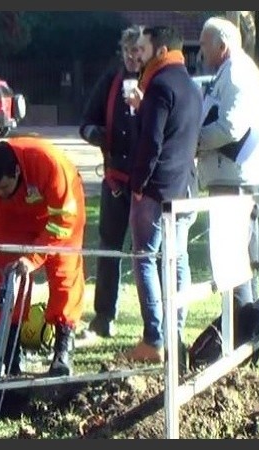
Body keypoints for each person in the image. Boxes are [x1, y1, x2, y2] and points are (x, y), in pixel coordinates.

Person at [0, 137, 87, 377]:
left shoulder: (48, 163)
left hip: (60, 215)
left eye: (3, 187)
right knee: (6, 279)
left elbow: (64, 223)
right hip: (11, 217)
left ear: (16, 171)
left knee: (64, 272)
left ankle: (63, 352)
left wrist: (33, 258)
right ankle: (8, 352)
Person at [120, 26, 202, 365]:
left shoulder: (159, 85)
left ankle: (154, 338)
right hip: (186, 186)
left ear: (161, 48)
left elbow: (151, 144)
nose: (138, 54)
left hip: (156, 190)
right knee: (179, 259)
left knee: (145, 258)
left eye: (143, 47)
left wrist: (137, 185)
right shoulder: (191, 86)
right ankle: (175, 335)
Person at [196, 17, 259, 321]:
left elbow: (231, 127)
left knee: (234, 261)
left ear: (222, 45)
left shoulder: (238, 73)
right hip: (233, 178)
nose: (200, 51)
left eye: (203, 44)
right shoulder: (230, 72)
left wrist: (195, 141)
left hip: (237, 181)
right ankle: (244, 329)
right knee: (238, 261)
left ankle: (242, 330)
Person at [78, 25, 143, 339]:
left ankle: (152, 321)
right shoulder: (111, 80)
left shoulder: (155, 79)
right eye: (128, 52)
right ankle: (104, 314)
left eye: (138, 51)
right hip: (115, 179)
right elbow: (86, 122)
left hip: (147, 181)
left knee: (147, 253)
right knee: (109, 248)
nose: (133, 57)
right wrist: (95, 134)